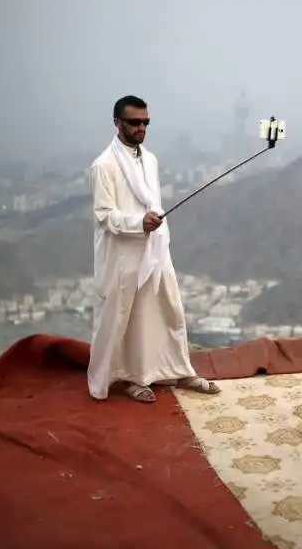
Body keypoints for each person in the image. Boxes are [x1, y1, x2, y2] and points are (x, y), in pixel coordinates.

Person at [86, 95, 220, 403]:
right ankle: (130, 378)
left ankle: (178, 370)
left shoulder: (151, 159)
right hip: (123, 257)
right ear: (118, 123)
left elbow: (152, 202)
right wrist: (138, 223)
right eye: (134, 122)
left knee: (167, 310)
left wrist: (152, 227)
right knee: (125, 319)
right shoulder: (103, 166)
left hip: (155, 249)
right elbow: (104, 215)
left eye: (146, 122)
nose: (141, 127)